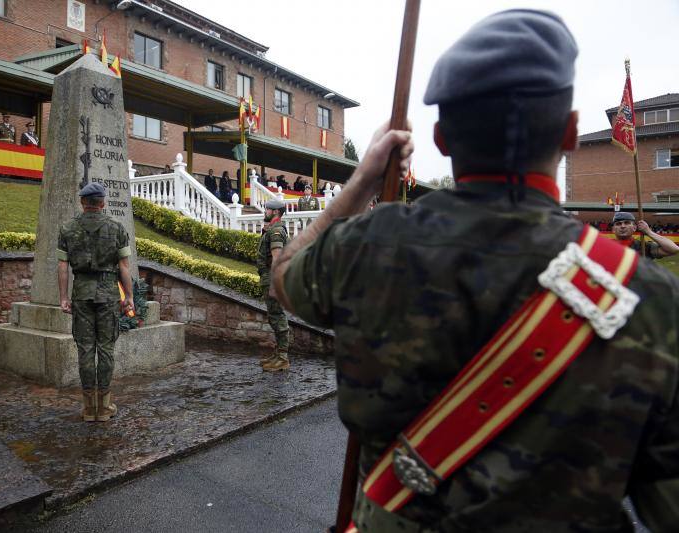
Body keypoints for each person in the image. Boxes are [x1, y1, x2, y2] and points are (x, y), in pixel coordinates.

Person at [272, 10, 679, 532]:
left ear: (441, 139)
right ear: (571, 132)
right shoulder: (648, 301)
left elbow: (285, 274)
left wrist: (363, 181)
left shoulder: (365, 248)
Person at [57, 182, 134, 422]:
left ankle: (89, 408)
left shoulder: (67, 229)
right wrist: (129, 297)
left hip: (81, 293)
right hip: (108, 295)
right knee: (106, 349)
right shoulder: (117, 228)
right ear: (102, 203)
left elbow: (62, 267)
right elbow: (124, 267)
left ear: (83, 202)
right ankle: (105, 406)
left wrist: (63, 297)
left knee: (86, 349)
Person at [257, 198, 290, 371]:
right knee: (274, 315)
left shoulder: (276, 231)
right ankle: (278, 353)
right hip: (269, 277)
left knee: (277, 316)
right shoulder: (272, 229)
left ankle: (283, 357)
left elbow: (277, 258)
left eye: (267, 210)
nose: (265, 212)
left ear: (275, 212)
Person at [610, 211, 679, 259]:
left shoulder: (643, 247)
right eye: (618, 224)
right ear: (613, 229)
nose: (623, 226)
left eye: (627, 223)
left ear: (634, 228)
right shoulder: (606, 245)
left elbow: (674, 249)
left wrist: (648, 232)